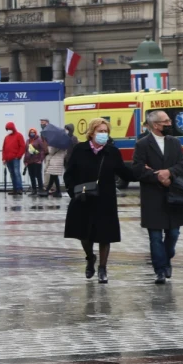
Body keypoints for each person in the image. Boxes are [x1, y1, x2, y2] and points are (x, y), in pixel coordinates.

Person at [64, 118, 130, 284]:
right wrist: (73, 192)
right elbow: (69, 174)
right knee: (84, 235)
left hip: (105, 200)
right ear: (91, 133)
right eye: (100, 131)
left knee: (104, 235)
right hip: (83, 198)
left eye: (105, 131)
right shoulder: (80, 149)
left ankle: (102, 268)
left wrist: (146, 173)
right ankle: (90, 257)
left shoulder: (112, 152)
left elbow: (124, 172)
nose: (103, 134)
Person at [132, 110, 183, 284]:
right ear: (156, 125)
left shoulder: (175, 142)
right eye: (166, 121)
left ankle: (166, 259)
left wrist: (169, 173)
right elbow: (138, 170)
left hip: (173, 195)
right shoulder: (142, 144)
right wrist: (157, 177)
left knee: (173, 233)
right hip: (153, 197)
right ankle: (160, 270)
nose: (169, 123)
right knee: (155, 237)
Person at [2, 121, 27, 195]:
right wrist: (4, 158)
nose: (8, 130)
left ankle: (19, 188)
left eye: (8, 129)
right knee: (12, 174)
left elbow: (22, 146)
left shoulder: (19, 135)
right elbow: (4, 148)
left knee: (16, 173)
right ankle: (15, 189)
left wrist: (18, 156)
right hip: (8, 159)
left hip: (15, 158)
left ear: (12, 128)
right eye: (7, 129)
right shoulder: (6, 137)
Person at [23, 128, 48, 197]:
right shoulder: (27, 141)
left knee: (38, 176)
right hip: (30, 161)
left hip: (37, 161)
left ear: (35, 133)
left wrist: (41, 159)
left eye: (33, 132)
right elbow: (26, 151)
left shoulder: (39, 140)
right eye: (31, 132)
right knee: (32, 176)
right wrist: (25, 160)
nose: (32, 133)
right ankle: (34, 190)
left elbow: (42, 150)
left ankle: (40, 189)